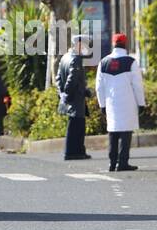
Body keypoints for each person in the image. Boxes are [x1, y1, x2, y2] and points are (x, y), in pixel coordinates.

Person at [95, 33, 145, 172]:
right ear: (125, 44)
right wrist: (141, 103)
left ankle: (112, 163)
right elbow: (137, 85)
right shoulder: (131, 62)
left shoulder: (103, 62)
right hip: (127, 102)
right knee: (125, 133)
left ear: (113, 44)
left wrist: (102, 104)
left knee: (113, 132)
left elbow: (99, 87)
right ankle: (123, 162)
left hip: (111, 103)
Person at [57, 33, 92, 161]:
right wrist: (68, 93)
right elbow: (72, 79)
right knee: (77, 126)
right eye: (83, 45)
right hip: (75, 98)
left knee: (75, 124)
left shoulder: (65, 57)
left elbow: (58, 78)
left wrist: (62, 94)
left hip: (70, 97)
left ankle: (77, 151)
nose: (85, 47)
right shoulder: (76, 59)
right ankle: (73, 152)